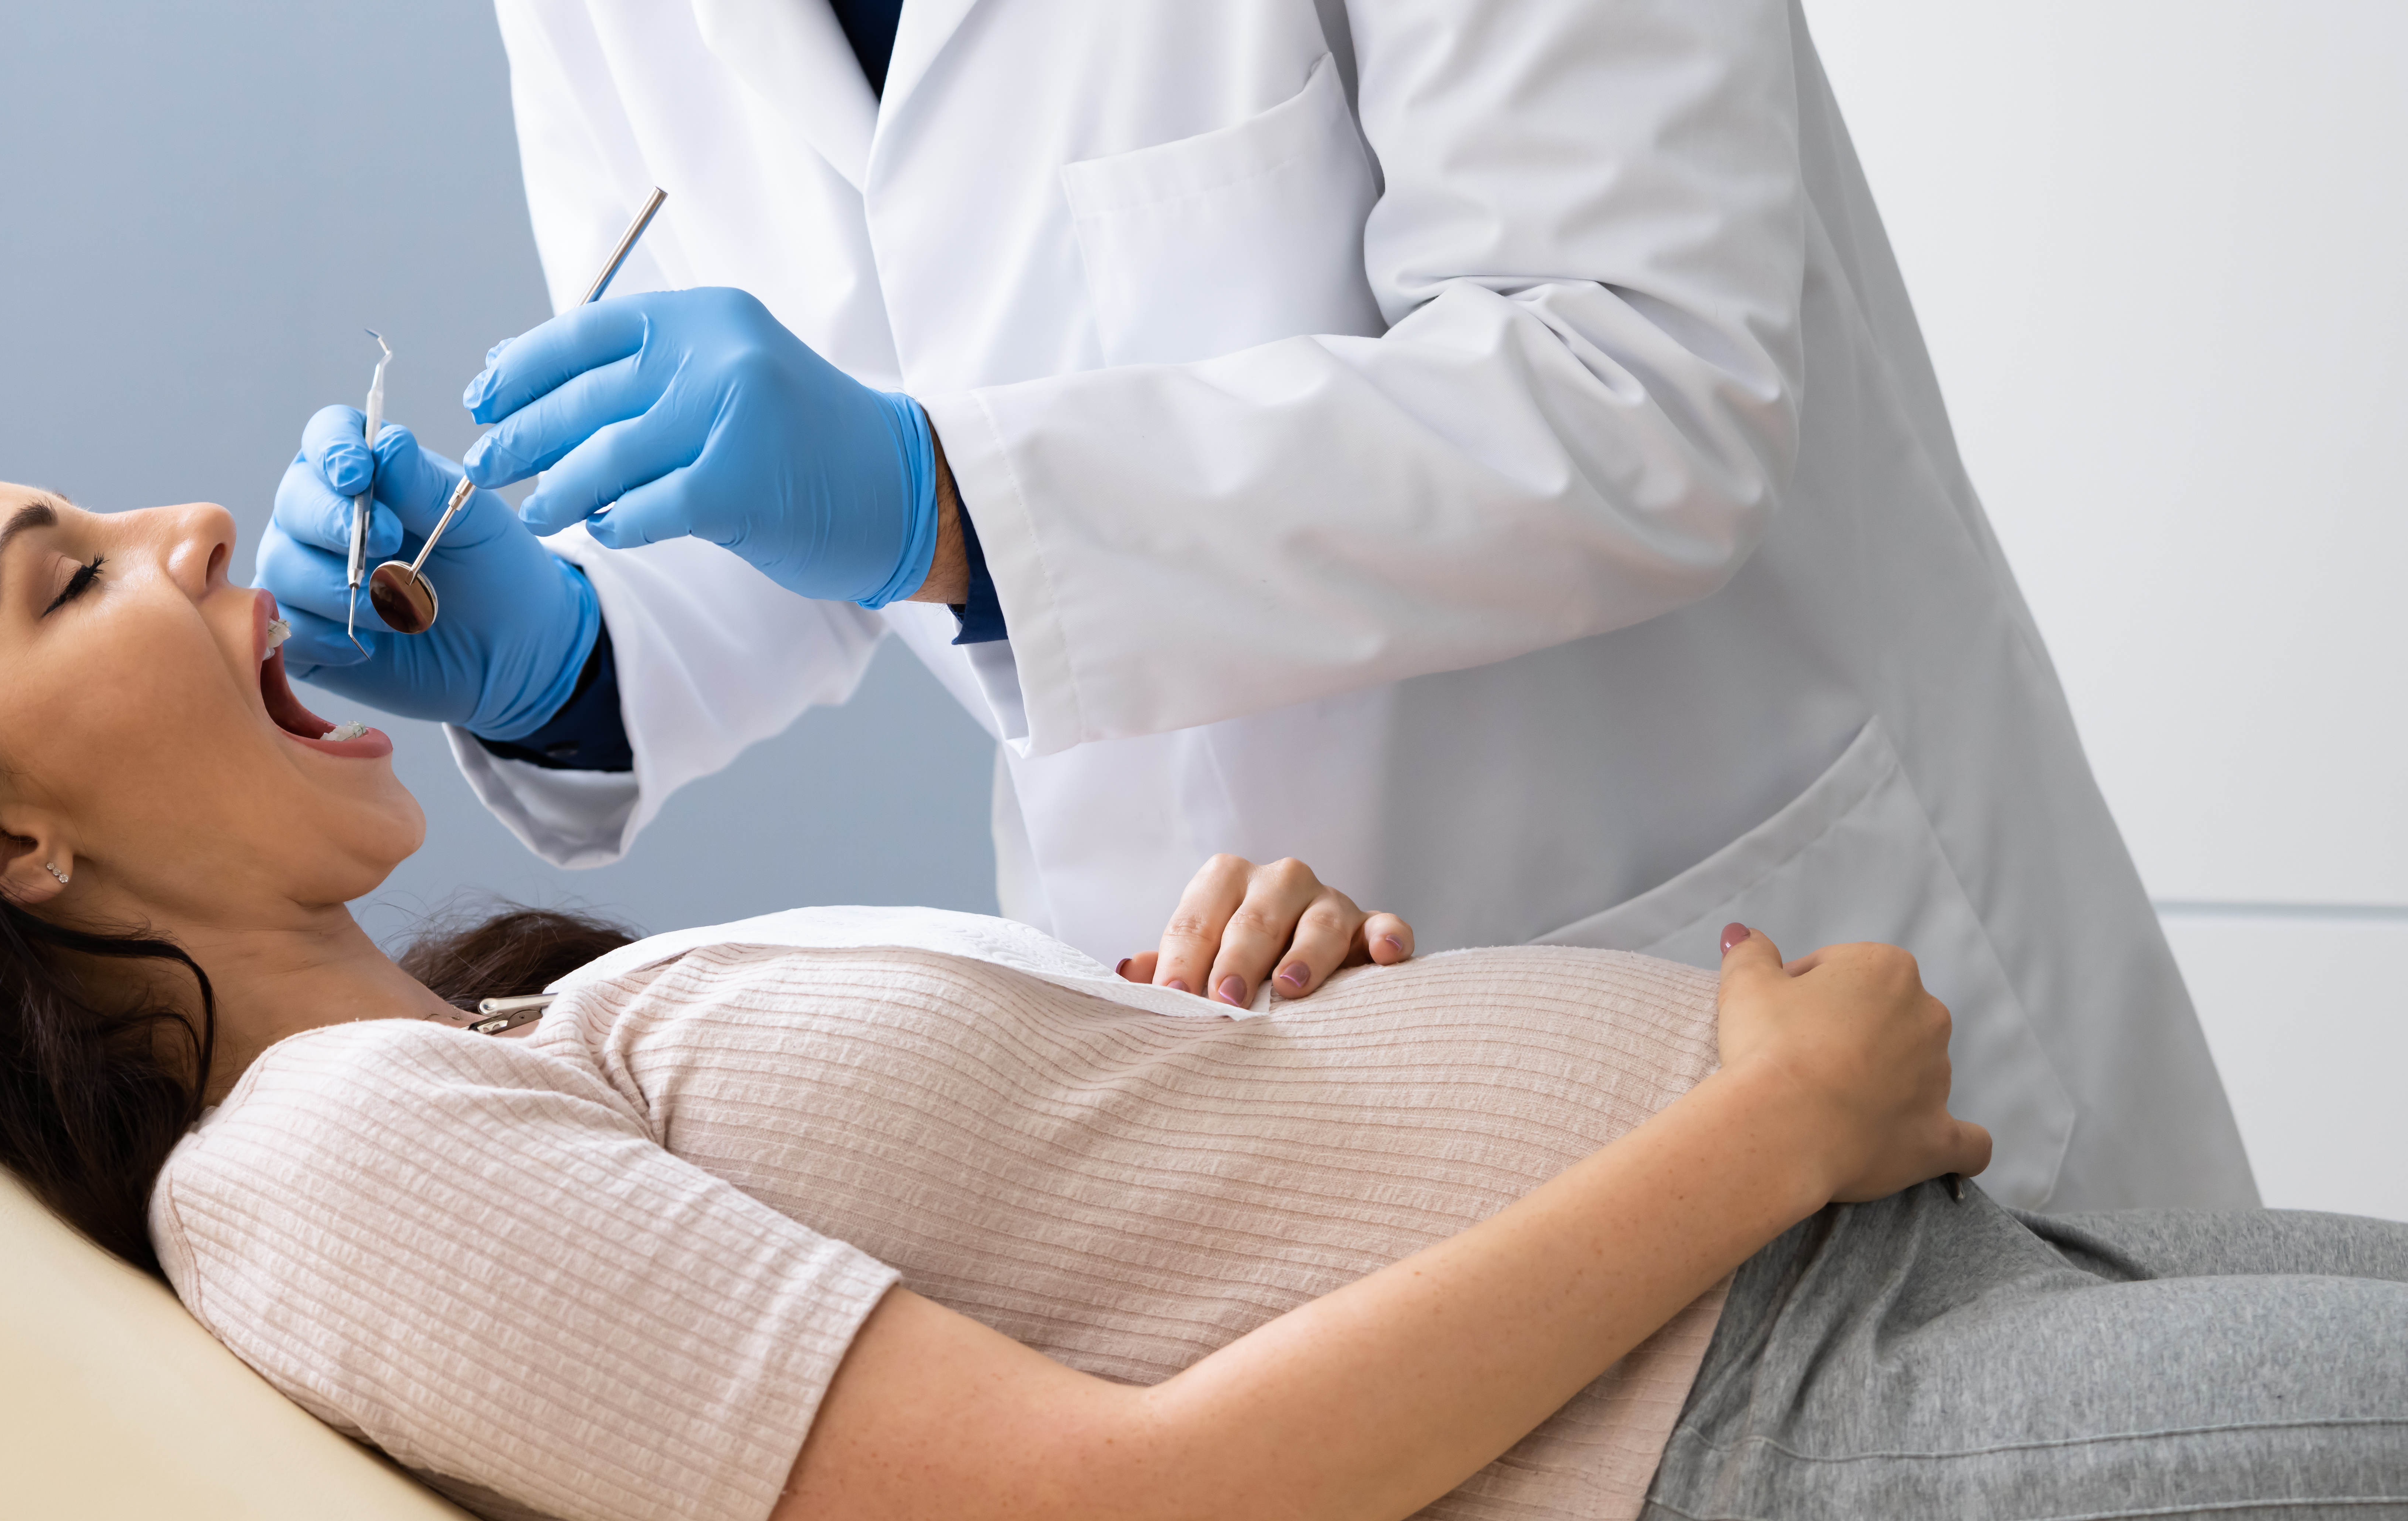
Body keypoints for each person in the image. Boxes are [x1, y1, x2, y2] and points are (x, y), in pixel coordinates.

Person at [0, 415, 2402, 1521]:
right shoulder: (314, 1184)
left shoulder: (474, 1061)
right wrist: (1756, 1138)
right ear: (7, 844)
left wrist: (1233, 1032)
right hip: (1761, 1502)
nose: (192, 527)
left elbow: (1097, 1280)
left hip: (1863, 1333)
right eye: (65, 579)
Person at [253, 0, 2257, 1218]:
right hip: (1219, 1043)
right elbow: (792, 458)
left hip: (1732, 941)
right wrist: (568, 655)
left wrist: (932, 494)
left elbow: (1643, 389)